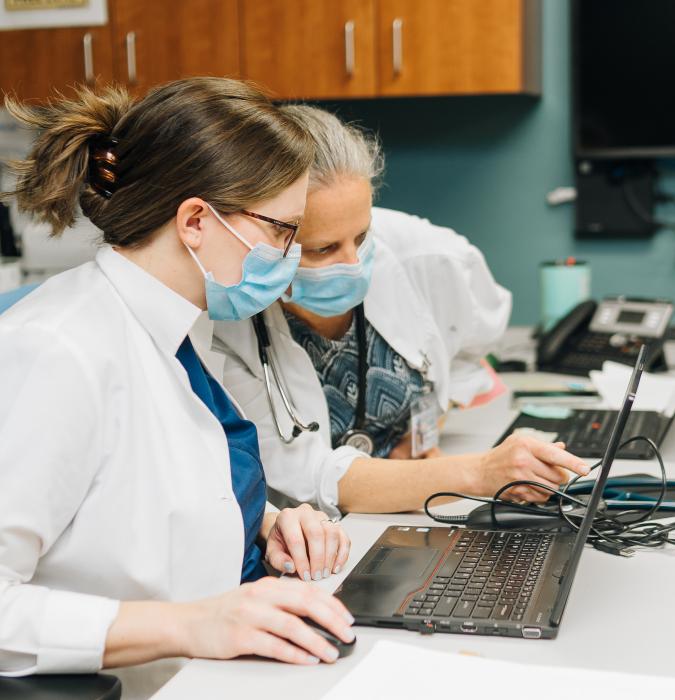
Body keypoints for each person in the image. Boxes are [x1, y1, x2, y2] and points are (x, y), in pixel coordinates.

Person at [0, 80, 355, 692]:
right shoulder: (58, 351)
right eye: (283, 231)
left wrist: (268, 525)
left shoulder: (174, 326)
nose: (291, 257)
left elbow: (140, 495)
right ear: (196, 220)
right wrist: (194, 625)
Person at [208, 105, 590, 518]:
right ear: (269, 238)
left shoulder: (433, 256)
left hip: (419, 501)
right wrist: (481, 472)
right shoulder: (225, 319)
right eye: (323, 249)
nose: (354, 263)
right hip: (315, 530)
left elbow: (469, 350)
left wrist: (427, 426)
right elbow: (310, 473)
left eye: (361, 235)